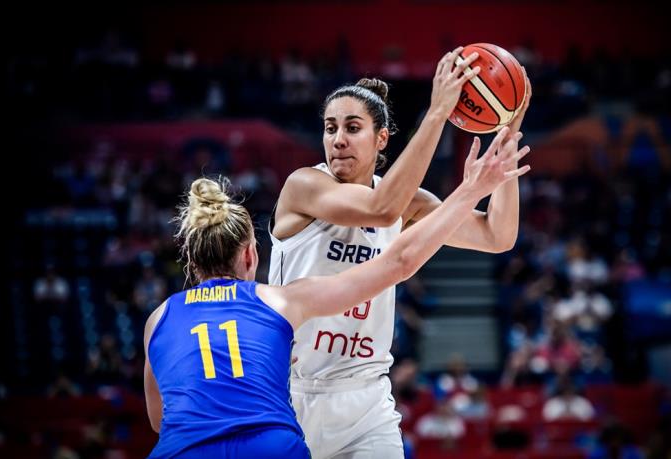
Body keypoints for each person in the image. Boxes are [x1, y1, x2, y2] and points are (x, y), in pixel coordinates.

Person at [143, 126, 530, 458]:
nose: (339, 139)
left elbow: (160, 419)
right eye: (331, 127)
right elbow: (400, 260)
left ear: (190, 260)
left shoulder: (157, 320)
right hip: (274, 437)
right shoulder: (279, 300)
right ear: (250, 254)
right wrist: (469, 188)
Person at [268, 47, 532, 457]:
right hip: (291, 392)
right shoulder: (304, 186)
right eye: (330, 128)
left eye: (352, 127)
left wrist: (507, 132)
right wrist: (437, 113)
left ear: (381, 138)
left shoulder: (409, 204)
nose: (337, 139)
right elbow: (381, 209)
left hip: (366, 400)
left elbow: (497, 236)